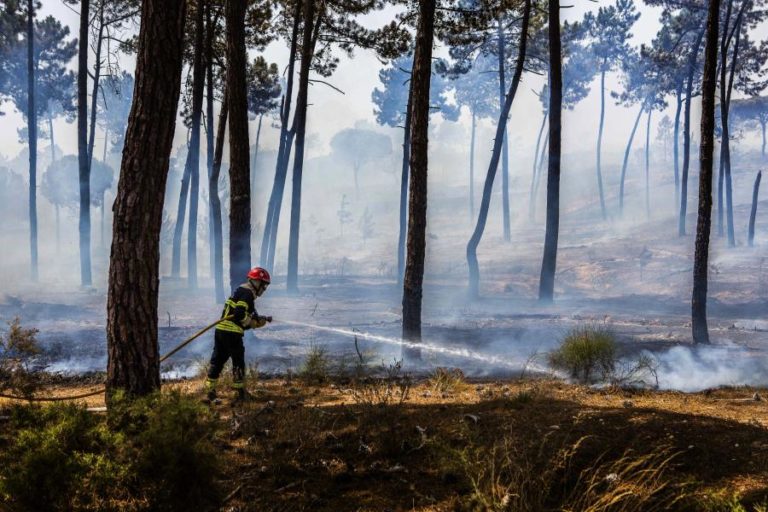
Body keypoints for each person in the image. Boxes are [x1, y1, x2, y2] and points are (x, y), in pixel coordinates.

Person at [205, 267, 272, 401]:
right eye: (263, 285)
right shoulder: (248, 294)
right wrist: (252, 323)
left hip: (221, 331)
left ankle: (210, 392)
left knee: (217, 361)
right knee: (238, 363)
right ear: (256, 282)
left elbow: (242, 316)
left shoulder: (241, 291)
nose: (264, 289)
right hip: (232, 333)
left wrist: (257, 320)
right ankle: (240, 394)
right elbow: (239, 314)